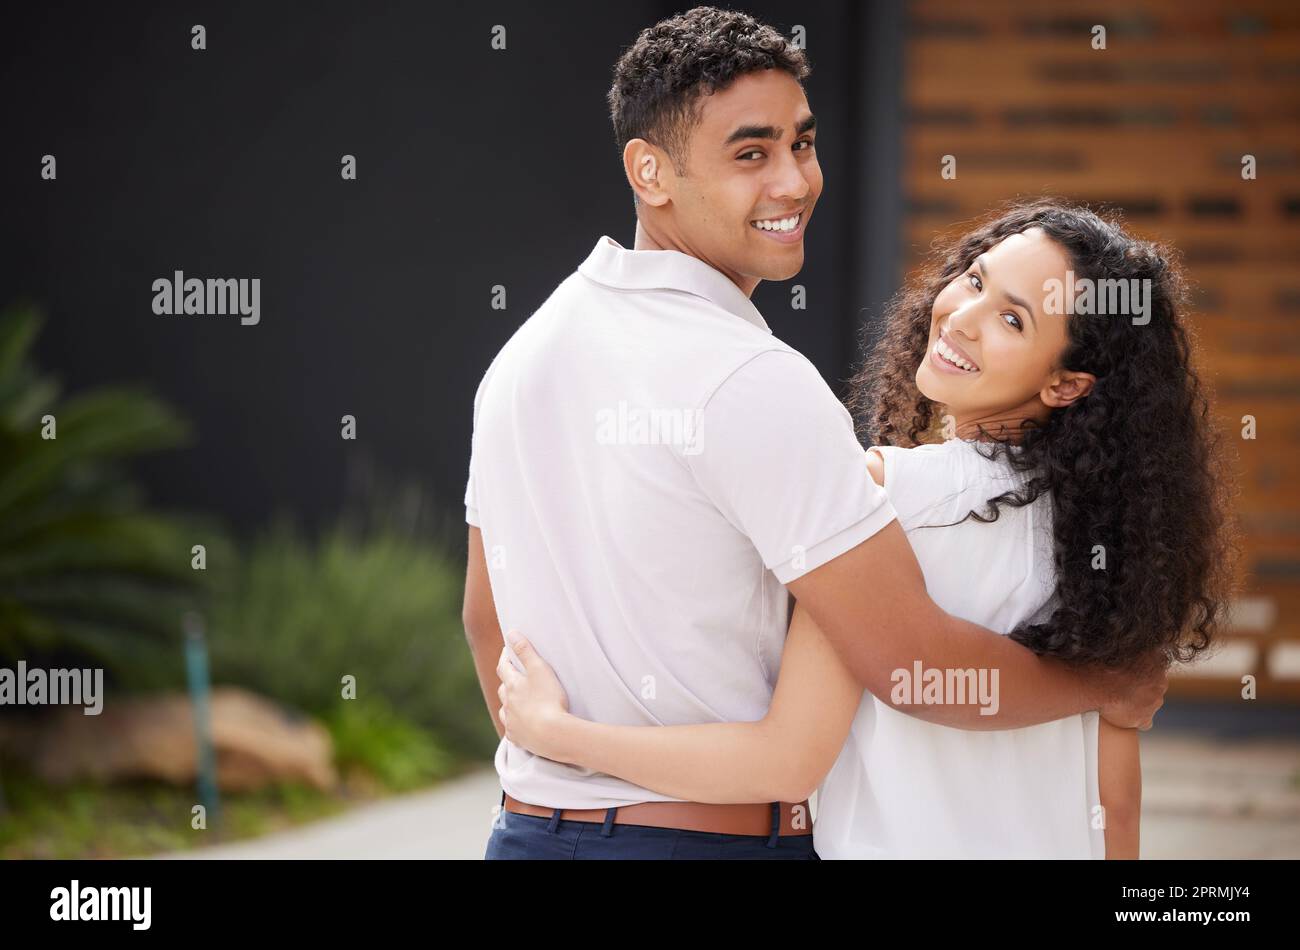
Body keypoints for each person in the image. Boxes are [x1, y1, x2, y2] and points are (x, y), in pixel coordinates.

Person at [462, 8, 1166, 861]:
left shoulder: (521, 357)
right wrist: (1102, 681)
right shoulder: (757, 383)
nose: (795, 182)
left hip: (526, 834)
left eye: (803, 142)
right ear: (650, 171)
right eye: (750, 154)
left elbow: (485, 623)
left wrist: (555, 756)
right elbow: (907, 664)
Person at [497, 200, 1238, 858]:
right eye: (975, 280)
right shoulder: (1122, 556)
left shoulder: (883, 495)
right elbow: (1117, 805)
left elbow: (786, 758)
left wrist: (561, 737)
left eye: (1014, 319)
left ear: (1067, 384)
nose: (962, 316)